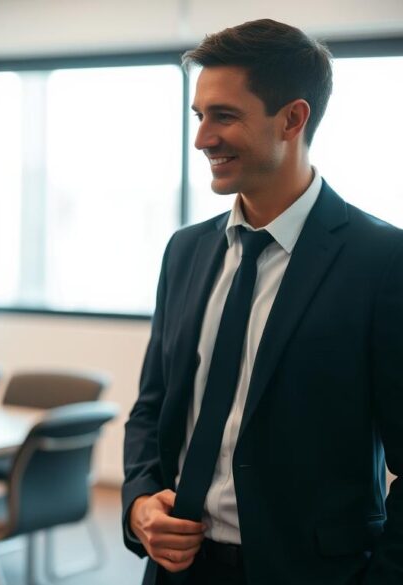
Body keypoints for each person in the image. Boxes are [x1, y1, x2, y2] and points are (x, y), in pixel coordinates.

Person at [123, 19, 402, 585]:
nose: (202, 139)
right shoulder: (186, 251)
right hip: (178, 571)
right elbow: (151, 409)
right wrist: (140, 505)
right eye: (199, 117)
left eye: (224, 116)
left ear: (292, 119)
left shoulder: (383, 261)